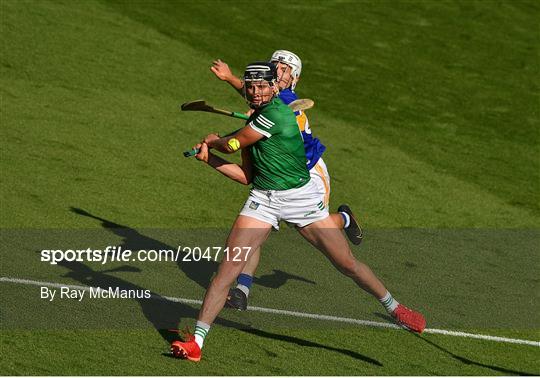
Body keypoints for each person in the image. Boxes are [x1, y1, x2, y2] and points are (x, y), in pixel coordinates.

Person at [170, 62, 426, 362]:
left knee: (346, 264)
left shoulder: (276, 115)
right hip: (263, 200)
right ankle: (197, 342)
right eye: (251, 87)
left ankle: (394, 307)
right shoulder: (254, 123)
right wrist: (208, 158)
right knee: (226, 270)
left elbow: (233, 144)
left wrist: (215, 141)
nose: (255, 91)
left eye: (262, 86)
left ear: (274, 88)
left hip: (301, 200)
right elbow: (246, 176)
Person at [211, 50, 361, 310]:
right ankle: (242, 290)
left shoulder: (288, 100)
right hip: (277, 172)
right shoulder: (269, 95)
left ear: (294, 78)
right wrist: (229, 78)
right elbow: (254, 94)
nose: (278, 71)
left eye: (285, 69)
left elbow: (264, 113)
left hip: (309, 173)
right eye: (275, 66)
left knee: (316, 229)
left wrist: (239, 130)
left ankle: (344, 218)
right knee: (257, 231)